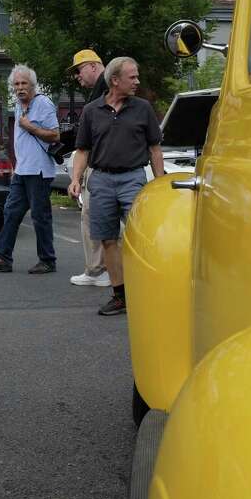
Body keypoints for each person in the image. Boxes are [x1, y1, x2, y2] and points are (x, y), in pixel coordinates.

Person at [69, 57, 165, 315]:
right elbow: (82, 150)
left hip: (132, 178)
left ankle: (149, 291)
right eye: (132, 77)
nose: (137, 82)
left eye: (137, 76)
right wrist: (76, 179)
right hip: (99, 180)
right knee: (108, 239)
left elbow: (155, 149)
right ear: (114, 81)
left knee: (139, 236)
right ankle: (120, 296)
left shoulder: (143, 108)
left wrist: (160, 182)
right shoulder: (91, 111)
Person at [0, 65, 60, 274]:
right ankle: (3, 257)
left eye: (24, 83)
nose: (20, 88)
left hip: (39, 171)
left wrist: (30, 127)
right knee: (11, 212)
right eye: (16, 84)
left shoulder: (43, 103)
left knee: (40, 216)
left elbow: (55, 135)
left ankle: (47, 260)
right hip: (23, 170)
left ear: (32, 85)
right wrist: (17, 167)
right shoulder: (17, 105)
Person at [66, 49, 111, 288]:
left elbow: (90, 140)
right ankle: (104, 270)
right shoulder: (107, 88)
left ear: (93, 66)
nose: (77, 77)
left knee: (92, 215)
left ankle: (98, 270)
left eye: (79, 70)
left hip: (101, 165)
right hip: (109, 164)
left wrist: (79, 173)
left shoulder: (104, 89)